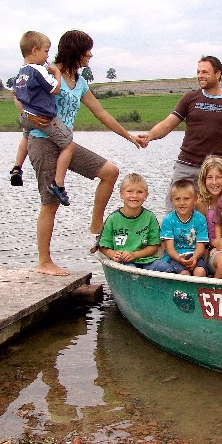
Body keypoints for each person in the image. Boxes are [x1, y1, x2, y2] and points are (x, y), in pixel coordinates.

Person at [24, 30, 146, 276]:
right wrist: (27, 114)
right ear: (75, 51)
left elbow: (101, 113)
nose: (90, 54)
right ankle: (44, 261)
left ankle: (96, 223)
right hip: (42, 141)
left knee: (110, 171)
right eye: (87, 50)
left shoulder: (79, 82)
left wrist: (129, 135)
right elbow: (21, 95)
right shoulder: (47, 71)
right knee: (50, 203)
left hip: (65, 144)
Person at [140, 56, 222, 209]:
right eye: (198, 72)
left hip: (215, 171)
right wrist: (150, 135)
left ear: (218, 74)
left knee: (215, 216)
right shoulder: (190, 98)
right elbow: (168, 123)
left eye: (205, 72)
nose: (200, 76)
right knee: (175, 211)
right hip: (186, 166)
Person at [12, 31, 73, 205]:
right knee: (68, 144)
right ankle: (58, 183)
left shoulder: (20, 73)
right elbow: (55, 89)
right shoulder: (38, 70)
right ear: (34, 51)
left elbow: (15, 94)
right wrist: (57, 74)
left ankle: (17, 168)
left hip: (26, 117)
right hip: (45, 118)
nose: (48, 56)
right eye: (46, 51)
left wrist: (28, 113)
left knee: (26, 136)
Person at [98, 173, 172, 272]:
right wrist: (113, 254)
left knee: (166, 268)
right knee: (130, 270)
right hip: (123, 261)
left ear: (146, 195)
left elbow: (154, 246)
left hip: (147, 260)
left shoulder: (150, 217)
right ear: (121, 194)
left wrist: (134, 255)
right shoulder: (112, 219)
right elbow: (103, 246)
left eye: (140, 192)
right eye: (129, 191)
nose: (134, 196)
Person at [160, 179, 210, 276]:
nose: (182, 203)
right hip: (174, 257)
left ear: (195, 199)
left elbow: (201, 246)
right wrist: (179, 259)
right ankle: (180, 291)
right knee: (184, 273)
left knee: (200, 271)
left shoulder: (200, 219)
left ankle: (197, 291)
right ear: (172, 200)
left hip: (195, 255)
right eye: (177, 199)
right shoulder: (168, 220)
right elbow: (169, 248)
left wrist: (195, 257)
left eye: (186, 199)